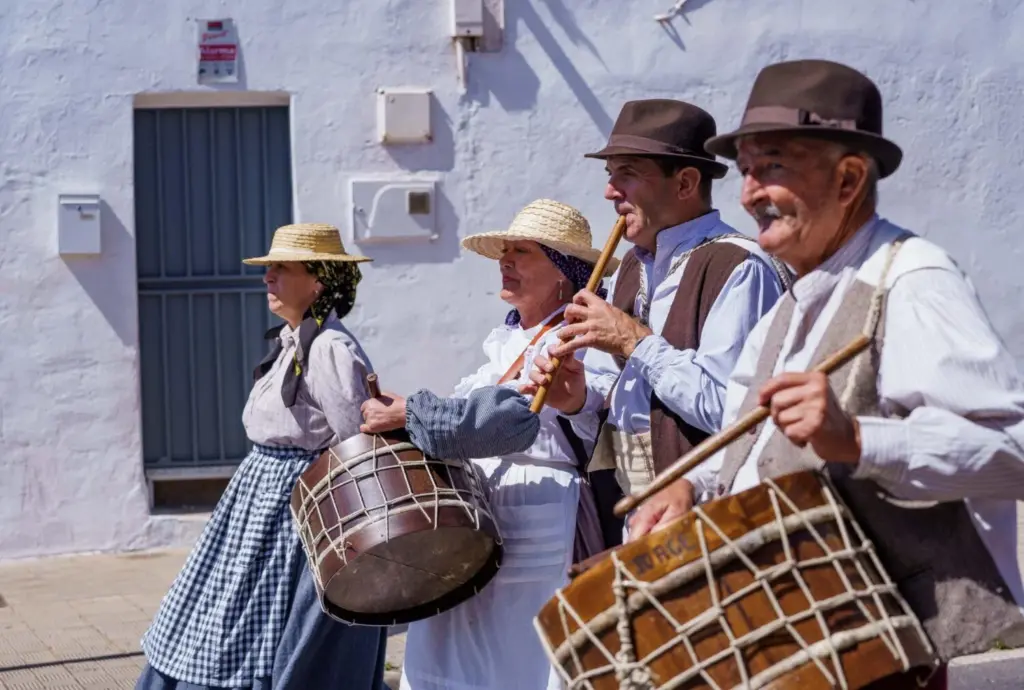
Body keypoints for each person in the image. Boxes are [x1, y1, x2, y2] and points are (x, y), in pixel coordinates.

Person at [689, 58, 1024, 687]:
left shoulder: (914, 280)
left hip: (882, 657)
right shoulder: (792, 304)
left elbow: (1014, 453)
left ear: (848, 180)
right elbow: (741, 452)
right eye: (745, 170)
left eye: (773, 167)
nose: (748, 193)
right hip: (789, 651)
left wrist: (861, 441)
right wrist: (690, 489)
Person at [362, 199, 616, 690]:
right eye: (504, 250)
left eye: (522, 251)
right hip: (486, 518)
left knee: (524, 659)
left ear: (563, 272)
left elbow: (500, 421)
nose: (506, 260)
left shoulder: (579, 340)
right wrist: (410, 411)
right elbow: (461, 411)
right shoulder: (505, 341)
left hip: (542, 515)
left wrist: (412, 411)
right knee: (455, 652)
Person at [523, 99, 788, 543]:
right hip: (637, 513)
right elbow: (619, 410)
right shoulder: (632, 267)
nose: (610, 193)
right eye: (610, 177)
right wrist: (578, 397)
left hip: (712, 519)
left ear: (685, 183)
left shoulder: (737, 266)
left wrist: (634, 341)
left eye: (627, 174)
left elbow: (733, 411)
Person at [135, 223, 387, 690]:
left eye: (281, 268)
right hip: (259, 498)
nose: (268, 277)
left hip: (292, 504)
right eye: (268, 268)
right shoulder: (293, 340)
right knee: (214, 613)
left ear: (318, 281)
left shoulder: (331, 347)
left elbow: (356, 438)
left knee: (246, 622)